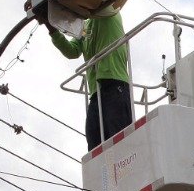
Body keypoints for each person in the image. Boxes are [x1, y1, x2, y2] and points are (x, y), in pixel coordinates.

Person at [49, 8, 133, 151]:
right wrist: (50, 26)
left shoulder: (109, 12)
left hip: (115, 84)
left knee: (119, 143)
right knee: (94, 145)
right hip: (96, 93)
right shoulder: (84, 29)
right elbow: (72, 51)